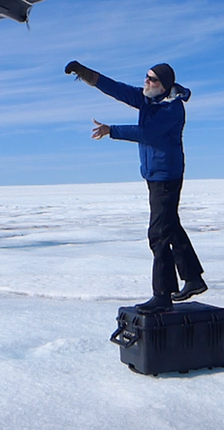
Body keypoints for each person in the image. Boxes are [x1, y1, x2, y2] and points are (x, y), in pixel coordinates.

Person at [65, 60, 207, 314]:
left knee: (158, 234)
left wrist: (111, 130)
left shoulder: (172, 109)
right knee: (170, 225)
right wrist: (84, 73)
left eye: (152, 79)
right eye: (146, 77)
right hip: (155, 175)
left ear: (164, 85)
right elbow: (116, 89)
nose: (146, 82)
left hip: (166, 176)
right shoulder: (149, 99)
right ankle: (193, 278)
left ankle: (162, 295)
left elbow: (147, 132)